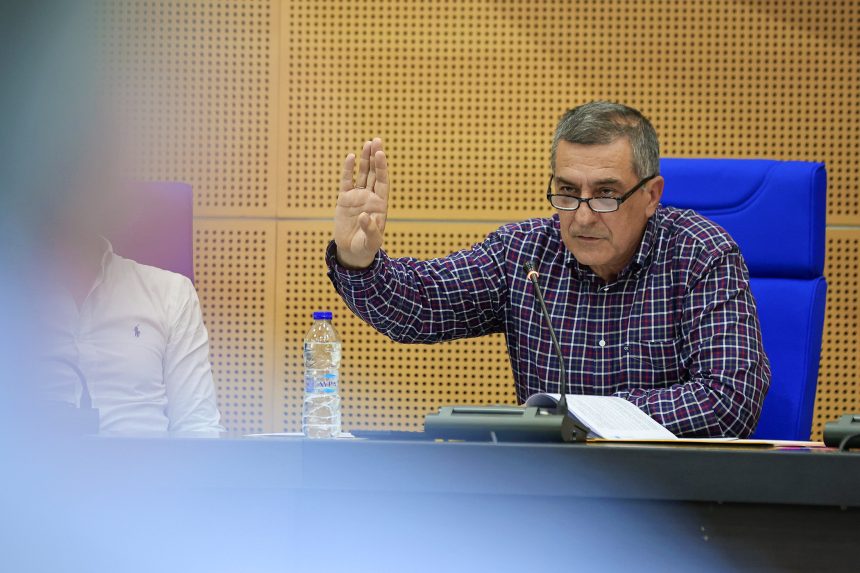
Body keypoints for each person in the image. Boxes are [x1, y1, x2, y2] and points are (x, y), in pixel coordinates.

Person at [325, 101, 770, 438]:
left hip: (670, 499)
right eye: (567, 191)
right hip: (553, 500)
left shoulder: (699, 253)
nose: (582, 217)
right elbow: (419, 308)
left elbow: (729, 400)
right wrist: (359, 260)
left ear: (651, 196)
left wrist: (586, 417)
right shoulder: (524, 252)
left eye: (606, 194)